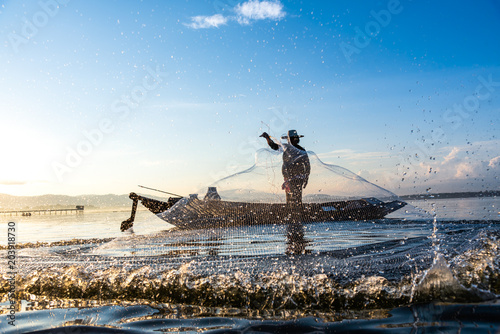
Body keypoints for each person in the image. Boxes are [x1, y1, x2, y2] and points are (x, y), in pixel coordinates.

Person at [260, 129, 310, 205]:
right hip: (290, 178)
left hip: (296, 178)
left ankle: (295, 213)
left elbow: (307, 164)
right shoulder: (291, 148)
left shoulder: (298, 149)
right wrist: (267, 138)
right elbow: (274, 146)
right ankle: (295, 213)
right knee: (293, 199)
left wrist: (306, 177)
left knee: (294, 199)